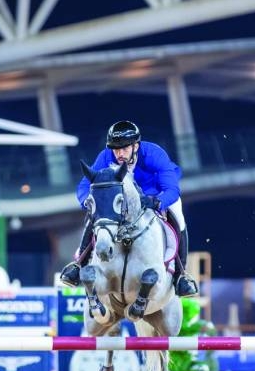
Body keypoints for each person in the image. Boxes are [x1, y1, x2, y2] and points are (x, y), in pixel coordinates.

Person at [60, 120, 199, 297]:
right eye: (116, 149)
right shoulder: (105, 156)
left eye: (124, 148)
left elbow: (171, 189)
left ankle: (181, 275)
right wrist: (87, 201)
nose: (119, 154)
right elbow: (85, 185)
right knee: (96, 213)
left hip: (154, 192)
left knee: (177, 214)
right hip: (124, 196)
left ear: (136, 146)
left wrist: (157, 202)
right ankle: (78, 263)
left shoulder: (154, 154)